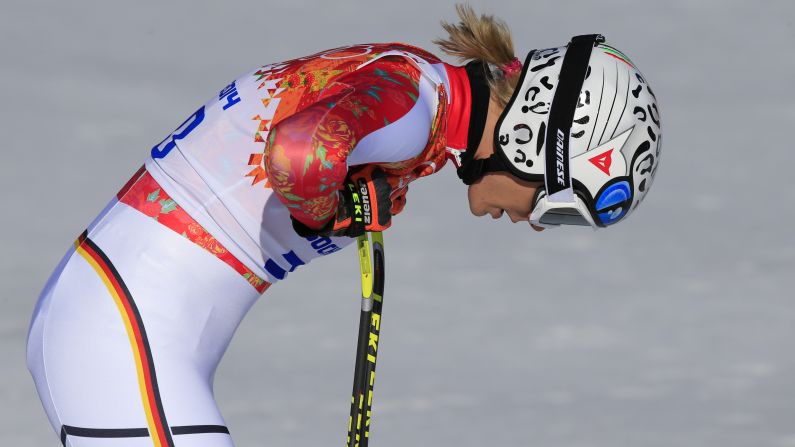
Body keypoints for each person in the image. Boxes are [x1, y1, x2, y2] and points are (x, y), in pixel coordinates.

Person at [26, 5, 661, 446]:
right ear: (530, 140)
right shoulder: (415, 104)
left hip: (127, 321)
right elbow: (299, 154)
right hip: (121, 331)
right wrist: (332, 211)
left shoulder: (423, 94)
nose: (536, 223)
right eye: (553, 205)